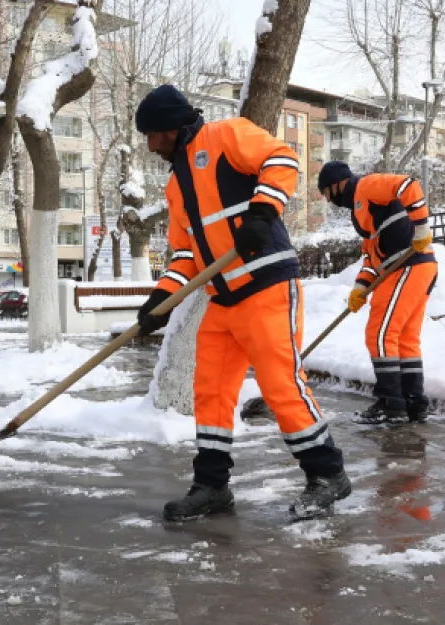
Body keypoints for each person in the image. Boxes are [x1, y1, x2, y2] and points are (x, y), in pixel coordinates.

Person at [134, 84, 350, 522]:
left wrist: (262, 211)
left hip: (267, 284)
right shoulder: (176, 186)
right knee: (210, 391)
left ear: (171, 127)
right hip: (222, 298)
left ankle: (327, 474)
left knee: (279, 383)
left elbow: (282, 160)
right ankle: (212, 486)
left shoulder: (226, 135)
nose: (151, 144)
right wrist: (161, 298)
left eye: (153, 134)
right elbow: (185, 255)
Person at [317, 162, 438, 424]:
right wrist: (361, 287)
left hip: (409, 264)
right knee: (404, 339)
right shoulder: (364, 214)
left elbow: (408, 184)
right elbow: (372, 258)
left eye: (326, 194)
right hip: (409, 269)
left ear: (336, 184)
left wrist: (420, 228)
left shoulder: (367, 186)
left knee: (380, 333)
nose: (328, 200)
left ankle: (390, 403)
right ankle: (413, 402)